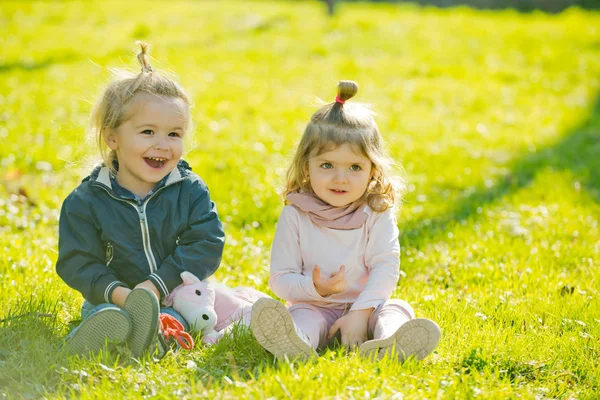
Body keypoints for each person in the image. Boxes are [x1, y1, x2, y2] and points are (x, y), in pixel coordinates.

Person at [250, 81, 440, 362]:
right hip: (314, 305)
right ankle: (296, 344)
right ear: (307, 166)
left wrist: (361, 314)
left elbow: (385, 266)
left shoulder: (376, 211)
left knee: (396, 308)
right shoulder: (296, 214)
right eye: (327, 165)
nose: (341, 178)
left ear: (372, 170)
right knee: (303, 318)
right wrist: (316, 289)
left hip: (366, 306)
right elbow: (280, 279)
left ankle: (390, 343)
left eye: (355, 167)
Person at [56, 42, 225, 358]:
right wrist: (120, 294)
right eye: (148, 132)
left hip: (176, 294)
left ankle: (158, 337)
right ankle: (100, 335)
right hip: (112, 295)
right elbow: (76, 260)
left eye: (174, 134)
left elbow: (207, 242)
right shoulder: (86, 201)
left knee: (179, 318)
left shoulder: (190, 190)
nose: (163, 145)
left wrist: (157, 286)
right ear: (112, 137)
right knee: (106, 314)